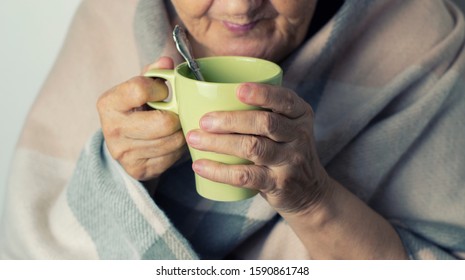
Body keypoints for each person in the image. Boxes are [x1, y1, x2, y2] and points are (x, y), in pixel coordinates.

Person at [1, 0, 465, 260]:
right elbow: (32, 249)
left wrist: (313, 201)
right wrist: (116, 176)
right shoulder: (110, 15)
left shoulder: (427, 35)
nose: (241, 6)